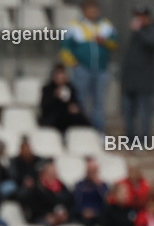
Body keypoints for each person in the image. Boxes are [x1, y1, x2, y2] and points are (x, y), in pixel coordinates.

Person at [60, 0, 117, 132]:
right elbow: (65, 48)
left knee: (99, 103)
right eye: (89, 9)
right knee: (80, 101)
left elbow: (115, 45)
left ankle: (98, 131)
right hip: (82, 70)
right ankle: (81, 130)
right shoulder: (73, 26)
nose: (93, 12)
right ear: (84, 11)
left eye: (95, 9)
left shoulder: (106, 25)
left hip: (101, 70)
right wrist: (75, 65)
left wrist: (105, 41)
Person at [121, 7, 154, 141]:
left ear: (147, 16)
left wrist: (139, 31)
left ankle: (144, 140)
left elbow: (151, 42)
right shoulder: (134, 33)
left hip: (144, 81)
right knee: (128, 113)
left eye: (141, 16)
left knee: (144, 113)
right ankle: (130, 140)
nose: (138, 19)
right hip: (130, 80)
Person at [21, 161, 74, 226]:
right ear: (43, 174)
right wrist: (48, 216)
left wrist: (65, 214)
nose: (53, 177)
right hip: (41, 219)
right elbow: (33, 209)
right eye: (50, 174)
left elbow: (70, 202)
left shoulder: (62, 187)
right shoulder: (36, 190)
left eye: (55, 174)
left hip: (61, 218)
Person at [39, 63, 91, 134]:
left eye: (62, 74)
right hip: (52, 117)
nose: (60, 77)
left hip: (67, 116)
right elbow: (44, 107)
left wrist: (74, 107)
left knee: (81, 118)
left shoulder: (70, 88)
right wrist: (55, 97)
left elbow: (75, 103)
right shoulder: (48, 89)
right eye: (58, 74)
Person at [73, 157, 108, 226]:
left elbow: (106, 201)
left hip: (98, 214)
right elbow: (77, 200)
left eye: (94, 171)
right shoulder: (80, 185)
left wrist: (99, 186)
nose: (92, 173)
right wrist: (83, 211)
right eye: (90, 171)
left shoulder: (102, 185)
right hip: (83, 213)